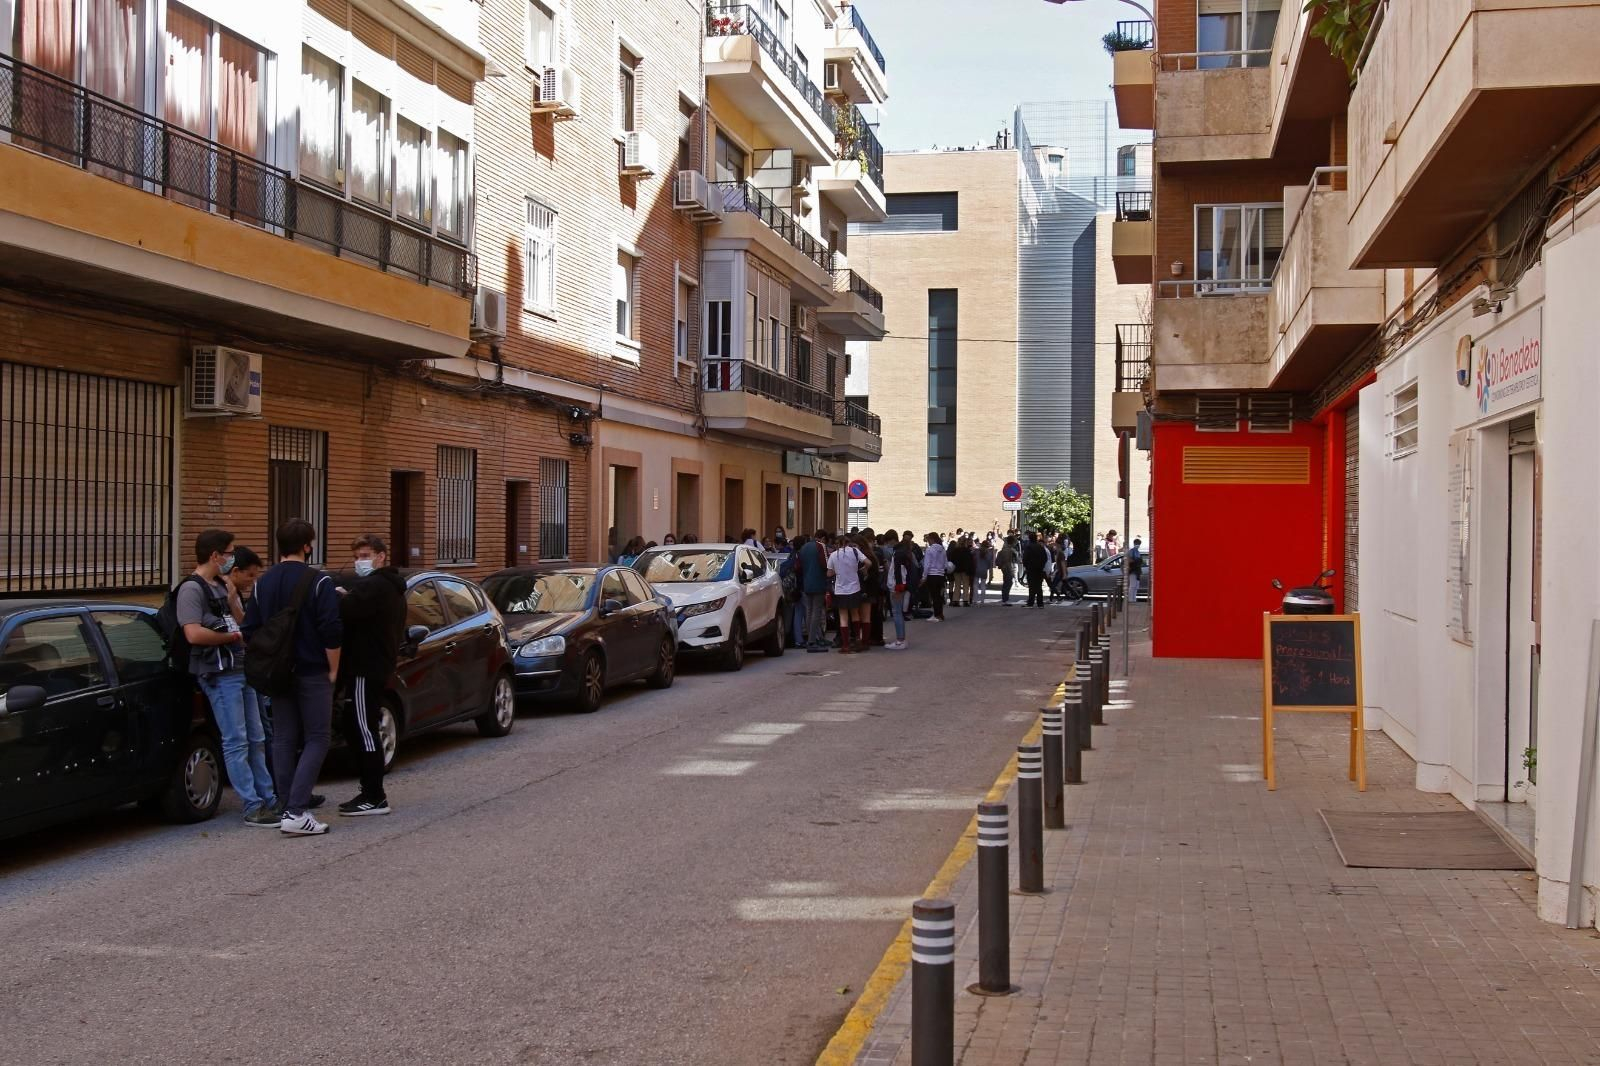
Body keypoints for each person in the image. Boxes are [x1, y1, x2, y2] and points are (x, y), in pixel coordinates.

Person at [244, 519, 343, 837]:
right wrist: (333, 669)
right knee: (318, 737)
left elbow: (250, 629)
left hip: (278, 672)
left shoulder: (262, 583)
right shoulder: (319, 581)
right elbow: (332, 630)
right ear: (307, 545)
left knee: (284, 738)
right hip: (312, 669)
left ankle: (286, 805)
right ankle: (297, 810)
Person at [177, 529, 278, 828]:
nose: (232, 557)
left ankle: (269, 798)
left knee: (257, 738)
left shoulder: (220, 585)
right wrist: (230, 636)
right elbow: (193, 633)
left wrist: (234, 599)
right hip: (220, 674)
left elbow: (243, 623)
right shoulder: (191, 589)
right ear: (215, 555)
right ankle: (252, 805)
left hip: (241, 668)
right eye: (230, 552)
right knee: (236, 740)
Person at [335, 535, 406, 817]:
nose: (359, 561)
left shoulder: (375, 586)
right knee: (357, 725)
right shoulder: (390, 587)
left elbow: (347, 611)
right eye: (356, 556)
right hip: (375, 665)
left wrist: (341, 597)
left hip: (366, 666)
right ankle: (368, 791)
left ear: (381, 556)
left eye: (365, 555)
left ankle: (374, 795)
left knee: (364, 728)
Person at [827, 534, 869, 653]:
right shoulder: (855, 551)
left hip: (840, 589)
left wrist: (838, 571)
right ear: (848, 542)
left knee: (843, 617)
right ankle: (857, 639)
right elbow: (869, 562)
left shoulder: (834, 555)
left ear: (837, 544)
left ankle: (845, 645)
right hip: (855, 587)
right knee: (855, 614)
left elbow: (829, 573)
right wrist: (863, 570)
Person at [799, 529, 831, 652]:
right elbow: (826, 564)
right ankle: (812, 641)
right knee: (816, 613)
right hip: (818, 582)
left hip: (807, 583)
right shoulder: (820, 546)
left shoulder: (804, 547)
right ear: (823, 538)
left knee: (809, 612)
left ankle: (816, 638)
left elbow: (799, 566)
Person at [887, 533, 916, 650]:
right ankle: (901, 639)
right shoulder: (906, 552)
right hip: (902, 585)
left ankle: (900, 640)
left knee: (897, 613)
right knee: (898, 612)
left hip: (897, 586)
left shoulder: (898, 553)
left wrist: (897, 587)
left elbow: (898, 571)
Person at [921, 533, 948, 621]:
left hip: (932, 575)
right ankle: (940, 614)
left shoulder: (930, 550)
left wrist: (924, 576)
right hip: (941, 575)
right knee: (939, 596)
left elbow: (927, 565)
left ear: (932, 539)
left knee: (934, 596)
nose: (928, 541)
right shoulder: (943, 550)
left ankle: (936, 615)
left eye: (928, 539)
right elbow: (946, 564)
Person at [1022, 531, 1048, 609]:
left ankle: (1031, 602)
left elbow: (1025, 558)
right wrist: (1041, 565)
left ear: (1030, 538)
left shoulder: (1029, 547)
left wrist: (1027, 566)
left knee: (1032, 586)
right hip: (1039, 569)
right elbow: (1045, 558)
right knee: (1039, 586)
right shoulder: (1040, 547)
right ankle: (1040, 603)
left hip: (1031, 569)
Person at [948, 536, 974, 607]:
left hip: (956, 570)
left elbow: (952, 560)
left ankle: (955, 600)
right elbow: (970, 562)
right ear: (965, 542)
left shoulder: (955, 551)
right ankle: (965, 601)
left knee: (957, 585)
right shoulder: (967, 551)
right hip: (965, 570)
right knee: (966, 585)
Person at [996, 535, 1017, 606]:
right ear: (1013, 542)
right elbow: (1009, 559)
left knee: (1007, 582)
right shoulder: (1009, 549)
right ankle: (1005, 599)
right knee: (1008, 583)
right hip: (1007, 567)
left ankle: (1005, 598)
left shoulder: (1006, 548)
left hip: (1005, 567)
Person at [976, 537, 996, 605]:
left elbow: (974, 559)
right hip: (984, 570)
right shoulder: (989, 553)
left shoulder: (977, 551)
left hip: (976, 569)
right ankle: (982, 600)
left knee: (975, 585)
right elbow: (990, 562)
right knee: (983, 585)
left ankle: (975, 600)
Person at [1128, 537, 1145, 602]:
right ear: (1134, 543)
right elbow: (1129, 560)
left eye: (1139, 544)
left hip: (1137, 570)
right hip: (1133, 570)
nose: (1138, 545)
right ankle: (1130, 599)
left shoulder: (1137, 552)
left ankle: (1133, 599)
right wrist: (1136, 561)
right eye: (1137, 543)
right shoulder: (1132, 551)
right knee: (1132, 586)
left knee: (1136, 586)